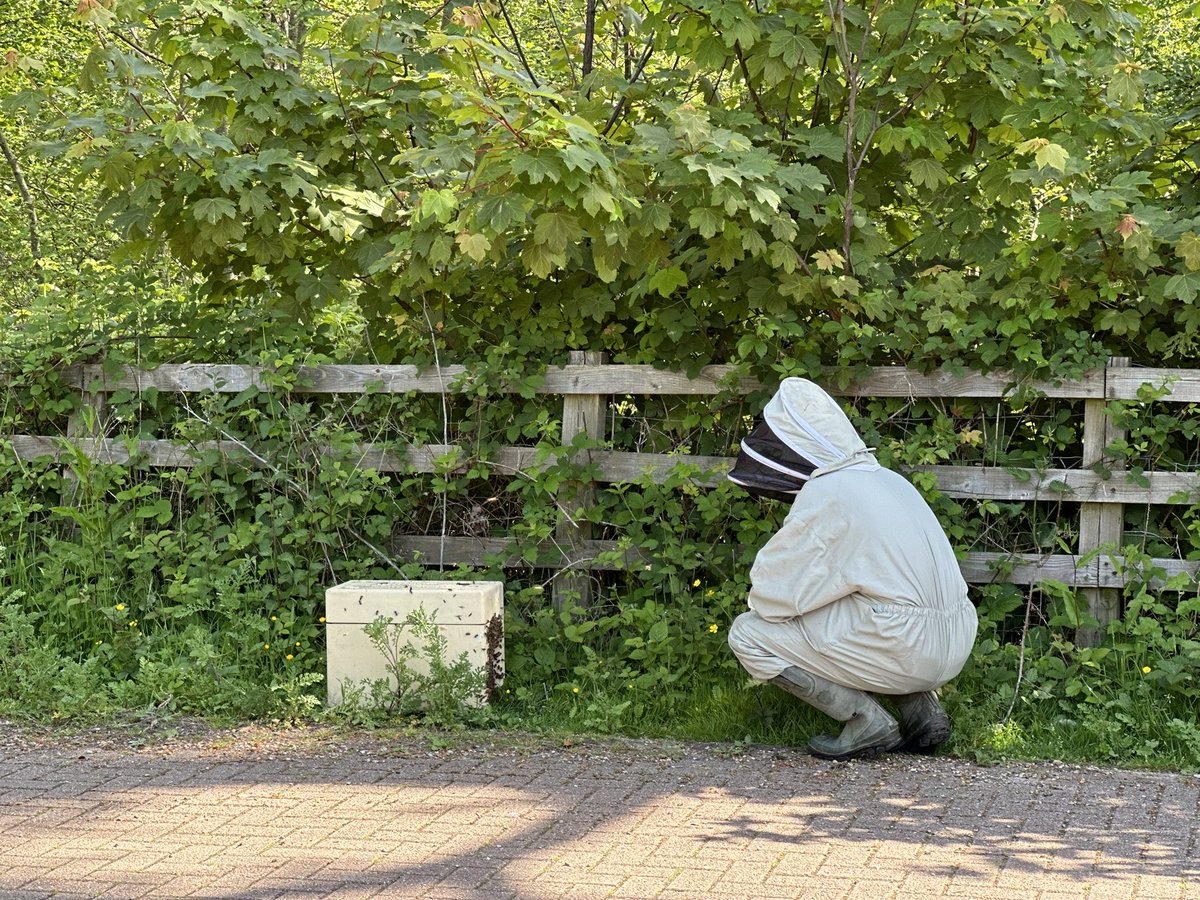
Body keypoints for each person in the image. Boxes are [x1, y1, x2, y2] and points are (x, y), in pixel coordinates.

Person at [726, 378, 977, 760]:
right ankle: (921, 709)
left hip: (902, 645)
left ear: (796, 445)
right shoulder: (888, 480)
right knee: (874, 607)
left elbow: (773, 596)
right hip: (956, 636)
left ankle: (864, 720)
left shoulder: (830, 493)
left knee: (748, 634)